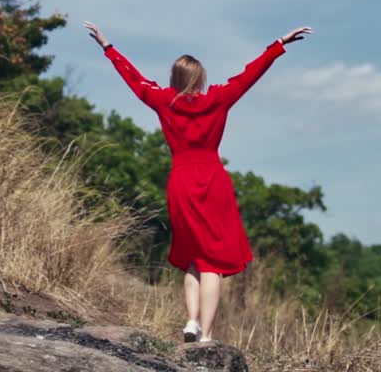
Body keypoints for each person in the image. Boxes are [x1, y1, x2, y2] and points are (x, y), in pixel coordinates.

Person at [84, 21, 313, 344]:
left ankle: (191, 320)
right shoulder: (219, 99)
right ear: (200, 77)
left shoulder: (163, 101)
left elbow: (133, 79)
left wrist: (108, 48)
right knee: (213, 262)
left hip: (181, 180)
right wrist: (278, 43)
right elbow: (250, 74)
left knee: (192, 257)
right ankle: (205, 334)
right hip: (212, 179)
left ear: (175, 79)